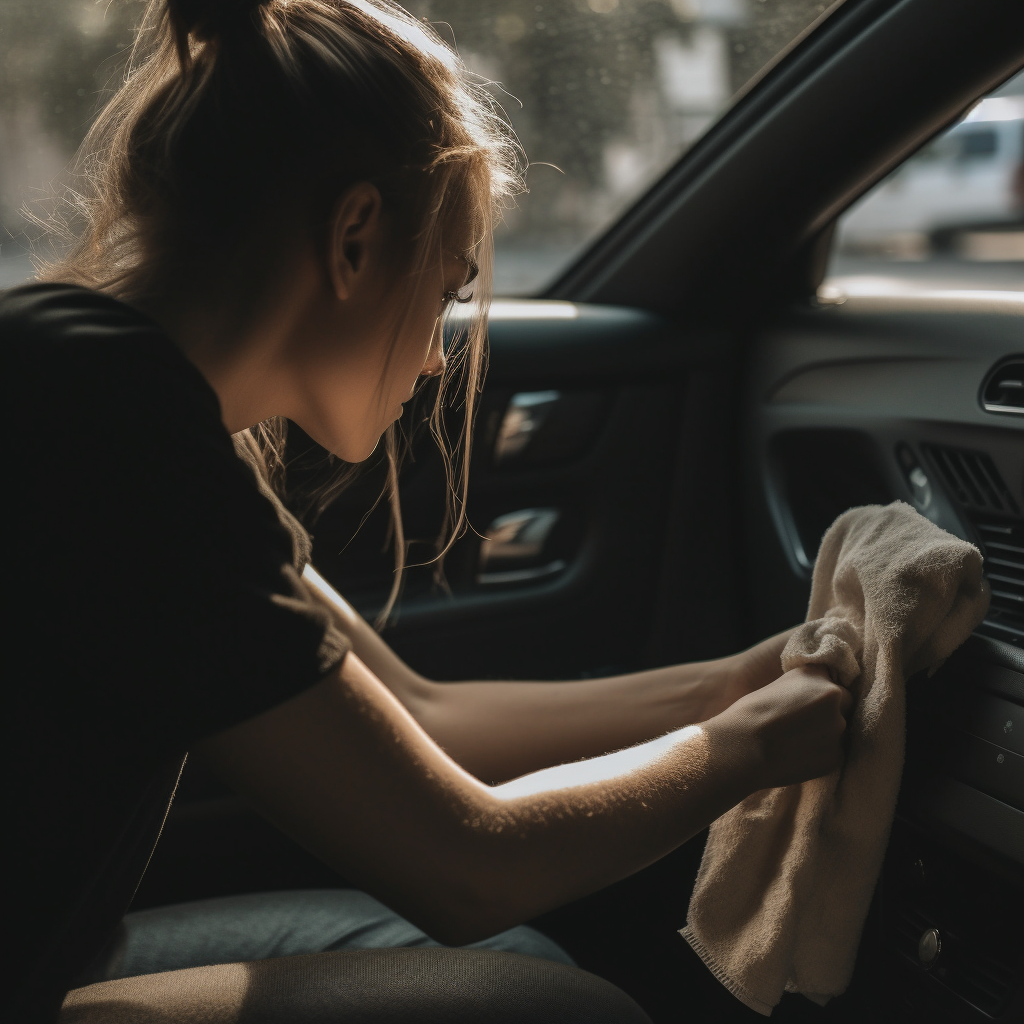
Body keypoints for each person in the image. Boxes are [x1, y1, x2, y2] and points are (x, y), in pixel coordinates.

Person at [4, 1, 853, 1021]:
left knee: (520, 961)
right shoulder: (115, 428)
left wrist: (739, 680)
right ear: (355, 236)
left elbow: (424, 717)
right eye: (447, 292)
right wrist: (752, 746)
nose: (441, 354)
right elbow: (464, 869)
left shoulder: (88, 375)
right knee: (567, 1009)